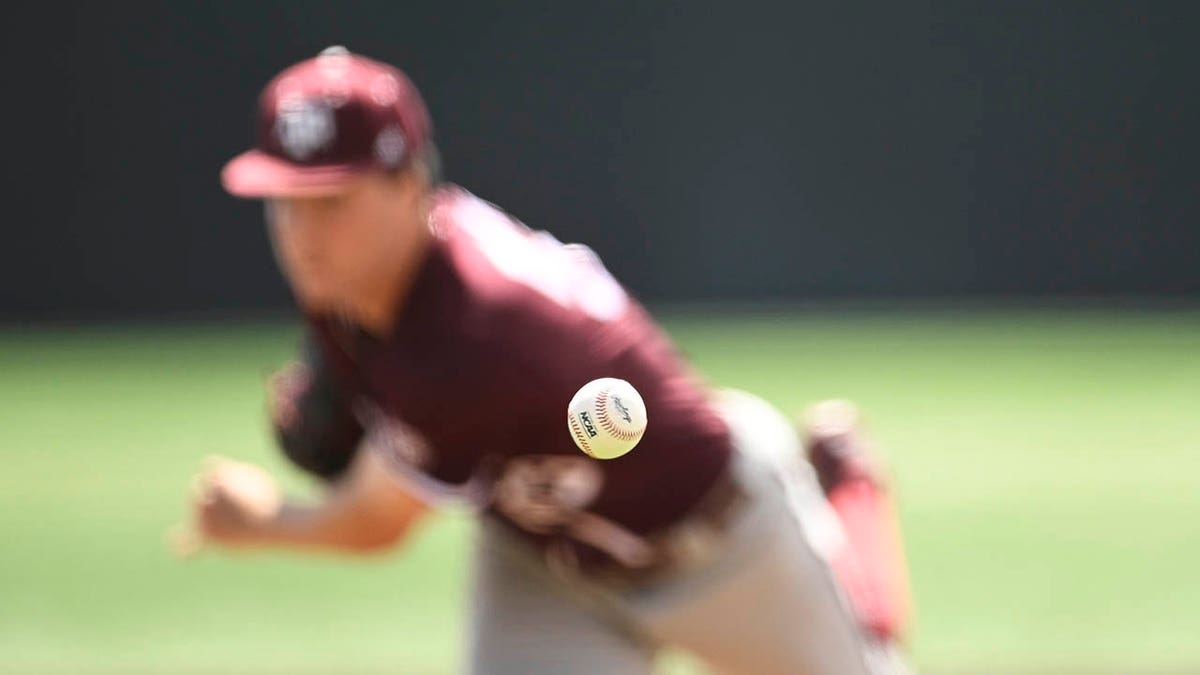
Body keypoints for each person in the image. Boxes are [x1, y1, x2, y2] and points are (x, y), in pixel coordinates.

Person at [184, 46, 912, 674]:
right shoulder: (363, 283)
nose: (303, 233)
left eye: (333, 201)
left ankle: (849, 495)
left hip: (719, 543)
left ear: (409, 185)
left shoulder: (473, 328)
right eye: (286, 202)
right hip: (545, 558)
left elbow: (375, 523)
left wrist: (259, 521)